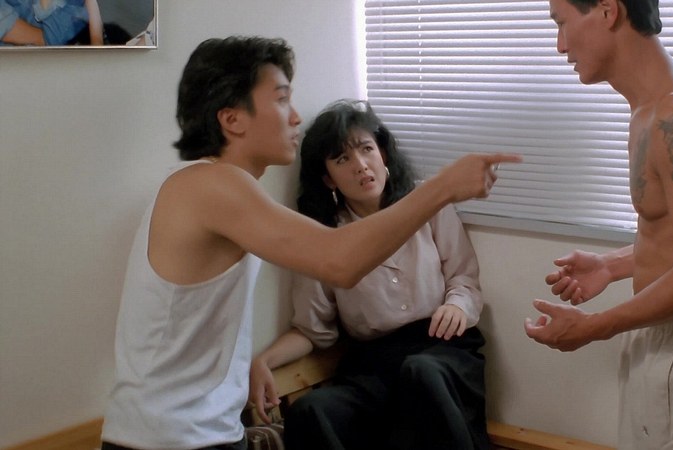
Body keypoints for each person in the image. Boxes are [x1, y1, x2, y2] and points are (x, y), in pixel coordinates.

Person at [99, 36, 519, 450]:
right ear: (233, 120)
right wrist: (443, 187)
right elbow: (340, 261)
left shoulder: (218, 188)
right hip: (167, 439)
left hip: (202, 432)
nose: (296, 117)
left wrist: (254, 364)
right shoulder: (211, 187)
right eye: (282, 100)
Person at [523, 1, 673, 449]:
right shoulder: (662, 106)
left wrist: (595, 326)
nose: (559, 46)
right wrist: (611, 266)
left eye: (562, 24)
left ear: (608, 10)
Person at [248, 99, 491, 450]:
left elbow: (464, 279)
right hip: (375, 368)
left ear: (383, 154)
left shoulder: (426, 201)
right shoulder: (324, 236)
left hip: (442, 352)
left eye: (366, 149)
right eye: (342, 159)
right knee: (310, 410)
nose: (361, 165)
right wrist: (264, 360)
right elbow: (312, 330)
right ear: (328, 178)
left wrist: (456, 306)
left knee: (420, 373)